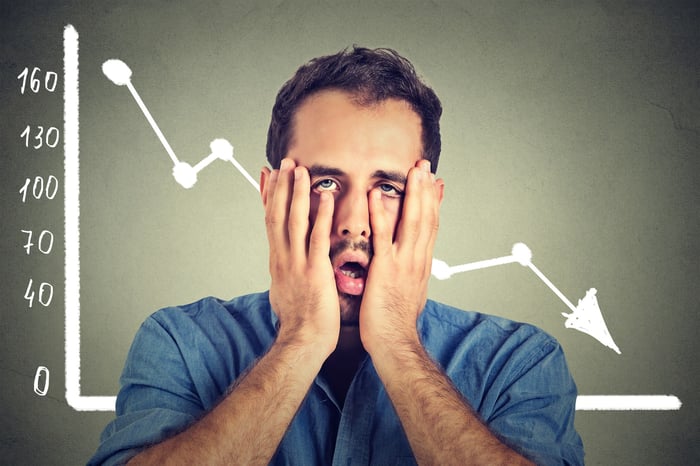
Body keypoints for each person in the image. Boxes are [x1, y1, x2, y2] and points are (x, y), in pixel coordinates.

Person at [89, 47, 584, 466]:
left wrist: (395, 339)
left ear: (429, 203)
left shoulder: (518, 362)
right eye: (325, 182)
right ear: (272, 196)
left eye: (387, 187)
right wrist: (300, 340)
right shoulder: (179, 343)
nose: (353, 221)